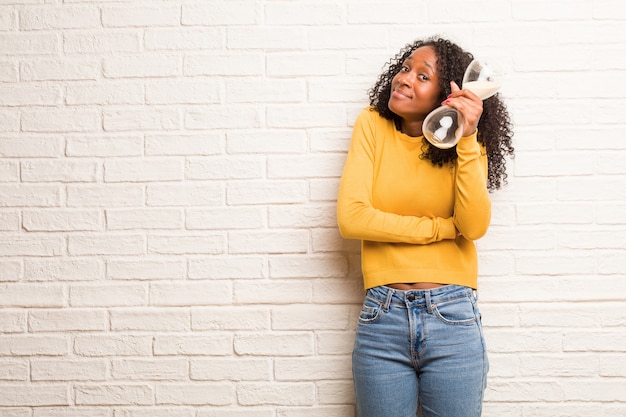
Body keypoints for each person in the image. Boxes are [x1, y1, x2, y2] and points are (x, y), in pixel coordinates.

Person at [336, 36, 514, 417]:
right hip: (381, 316)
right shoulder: (372, 126)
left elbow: (474, 225)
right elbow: (353, 218)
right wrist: (441, 230)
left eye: (422, 76)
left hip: (452, 314)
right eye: (404, 69)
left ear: (444, 95)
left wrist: (467, 139)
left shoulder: (466, 143)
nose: (404, 79)